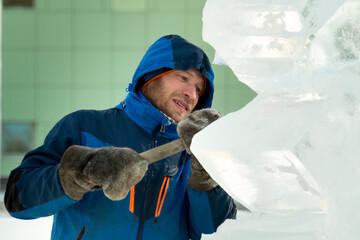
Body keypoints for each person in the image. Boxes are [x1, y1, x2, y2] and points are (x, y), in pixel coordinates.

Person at [4, 34, 237, 239]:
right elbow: (18, 199)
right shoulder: (84, 127)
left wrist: (206, 172)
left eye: (199, 89)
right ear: (151, 76)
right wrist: (80, 174)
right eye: (183, 78)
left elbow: (217, 230)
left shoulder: (193, 154)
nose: (191, 94)